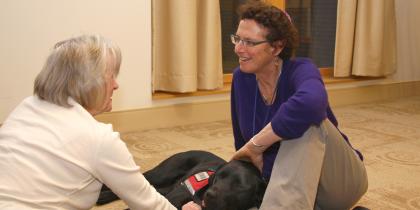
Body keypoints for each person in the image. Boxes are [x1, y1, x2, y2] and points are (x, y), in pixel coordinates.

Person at [0, 35, 200, 210]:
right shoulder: (99, 139)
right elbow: (148, 204)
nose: (116, 85)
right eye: (111, 76)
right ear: (89, 83)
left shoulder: (26, 107)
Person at [229, 1, 368, 209]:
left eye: (249, 42)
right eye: (237, 39)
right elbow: (242, 145)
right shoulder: (241, 78)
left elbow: (311, 104)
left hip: (336, 183)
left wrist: (257, 143)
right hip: (290, 190)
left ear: (277, 47)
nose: (238, 48)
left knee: (307, 122)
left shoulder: (301, 69)